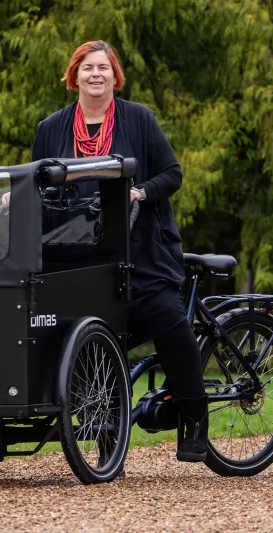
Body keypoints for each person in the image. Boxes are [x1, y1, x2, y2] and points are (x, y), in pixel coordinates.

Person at [30, 40, 208, 463]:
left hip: (141, 251)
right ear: (74, 76)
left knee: (167, 319)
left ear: (115, 77)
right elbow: (36, 183)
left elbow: (172, 173)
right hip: (78, 255)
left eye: (103, 69)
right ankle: (105, 429)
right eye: (87, 68)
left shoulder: (139, 119)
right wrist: (15, 200)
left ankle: (195, 418)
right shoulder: (50, 128)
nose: (95, 75)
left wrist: (141, 192)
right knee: (81, 329)